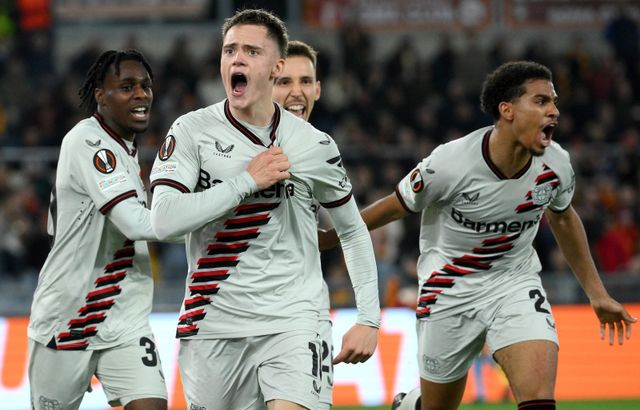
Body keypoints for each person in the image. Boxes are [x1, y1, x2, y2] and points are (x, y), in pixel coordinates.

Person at [320, 60, 636, 410]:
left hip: (514, 284)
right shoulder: (450, 163)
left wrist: (597, 293)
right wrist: (331, 237)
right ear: (507, 110)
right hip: (447, 291)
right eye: (541, 101)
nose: (554, 111)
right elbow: (395, 205)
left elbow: (563, 218)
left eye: (554, 102)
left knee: (539, 398)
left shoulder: (556, 164)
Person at [149, 9, 380, 410]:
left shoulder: (313, 144)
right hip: (212, 324)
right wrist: (245, 182)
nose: (237, 58)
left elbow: (352, 229)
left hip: (294, 320)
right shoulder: (191, 131)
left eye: (251, 51)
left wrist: (369, 318)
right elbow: (164, 221)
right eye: (230, 50)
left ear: (276, 67)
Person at [28, 50, 167, 410]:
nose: (141, 94)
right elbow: (136, 223)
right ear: (101, 96)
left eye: (146, 85)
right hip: (68, 319)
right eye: (127, 86)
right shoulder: (87, 141)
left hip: (125, 320)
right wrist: (223, 204)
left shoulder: (125, 149)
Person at [271, 39, 334, 410]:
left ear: (318, 90)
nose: (297, 92)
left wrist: (368, 318)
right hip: (235, 318)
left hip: (304, 314)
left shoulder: (321, 150)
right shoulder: (224, 146)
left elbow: (347, 231)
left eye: (305, 81)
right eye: (285, 82)